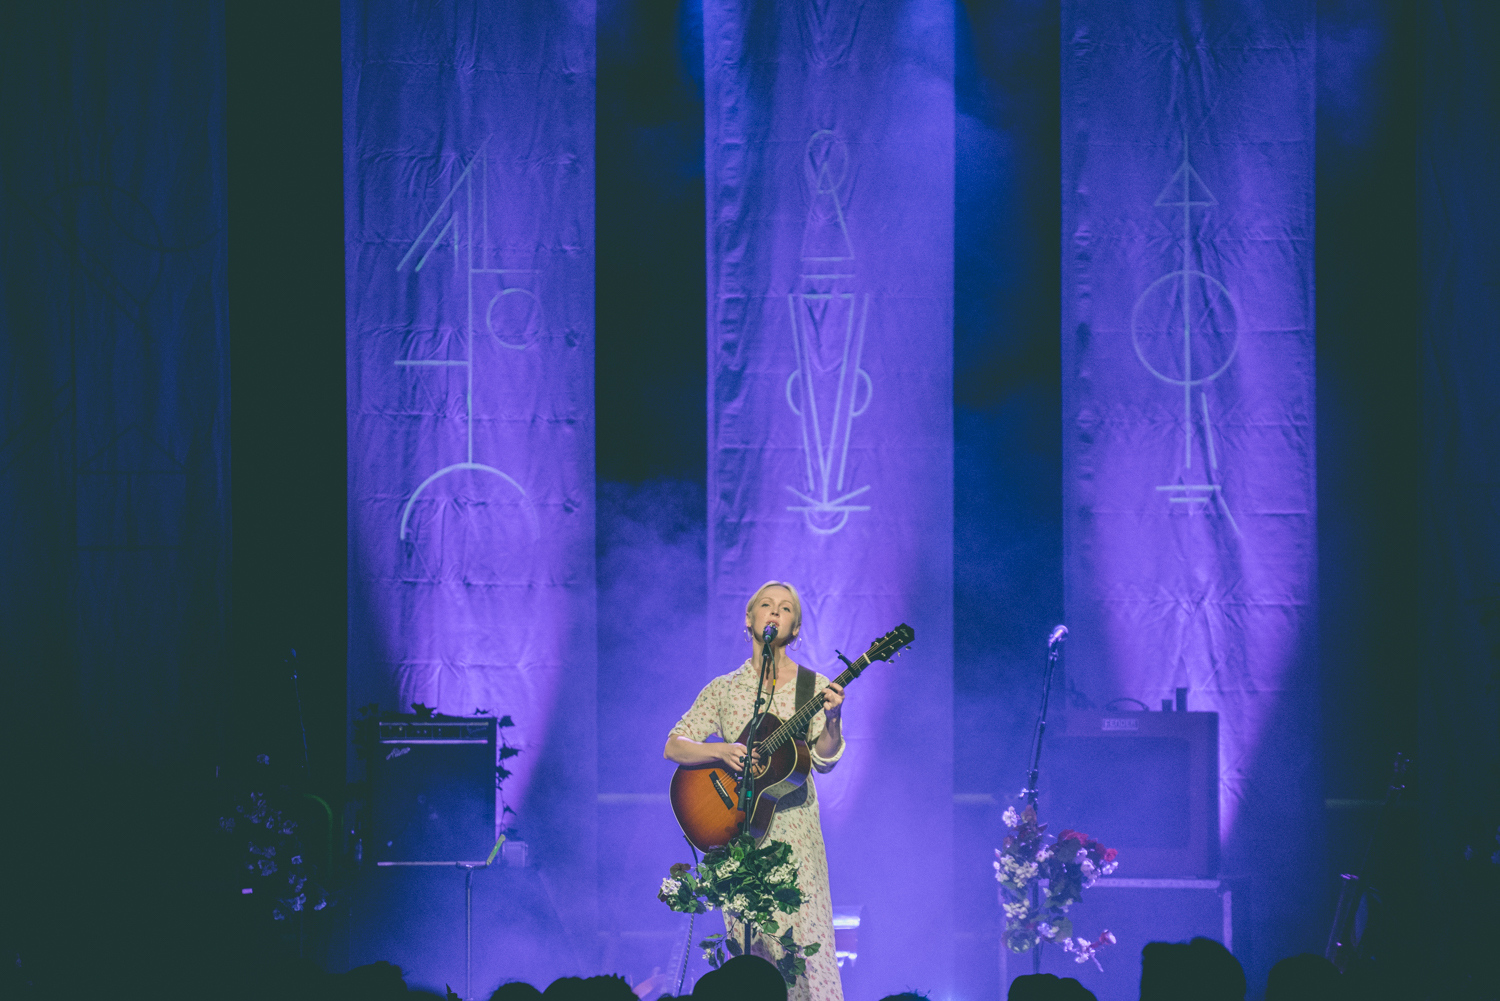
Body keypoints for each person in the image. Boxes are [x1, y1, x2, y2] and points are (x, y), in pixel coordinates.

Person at [665, 581, 847, 1001]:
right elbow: (675, 744)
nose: (774, 612)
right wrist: (722, 750)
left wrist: (834, 720)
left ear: (795, 628)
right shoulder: (725, 688)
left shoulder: (813, 687)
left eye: (785, 609)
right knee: (752, 957)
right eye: (766, 605)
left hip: (796, 838)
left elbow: (824, 760)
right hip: (740, 837)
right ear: (749, 620)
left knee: (806, 956)